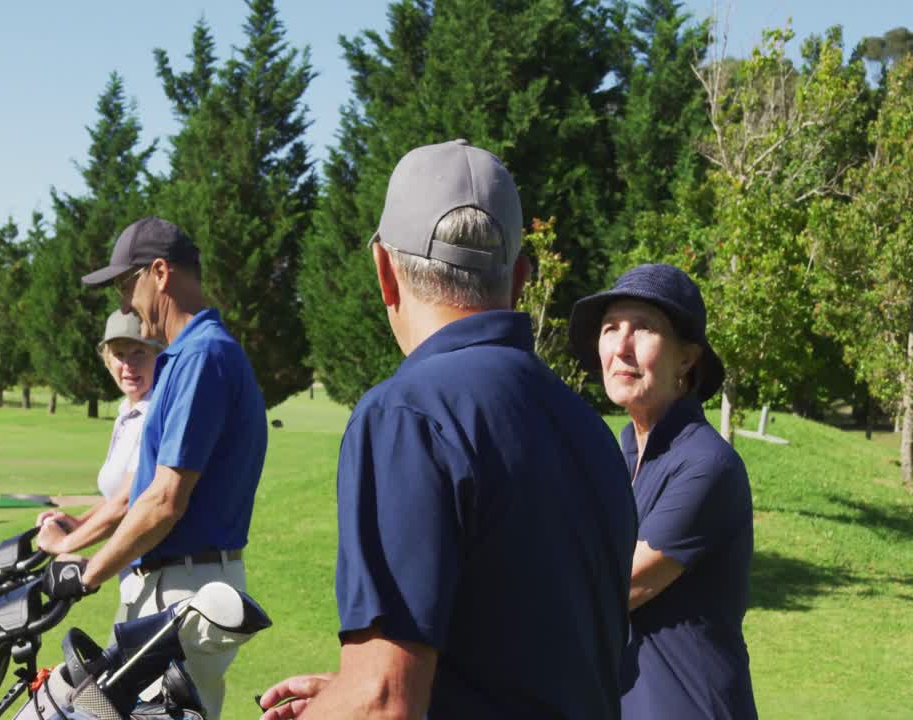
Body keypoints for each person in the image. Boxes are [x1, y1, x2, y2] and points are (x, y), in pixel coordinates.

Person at [257, 140, 637, 720]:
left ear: (385, 271)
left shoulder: (405, 415)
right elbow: (520, 666)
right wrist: (344, 692)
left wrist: (359, 696)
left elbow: (386, 702)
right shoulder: (587, 426)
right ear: (519, 279)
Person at [42, 216, 268, 719]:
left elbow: (166, 502)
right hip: (171, 587)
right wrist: (71, 542)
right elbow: (132, 495)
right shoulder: (186, 360)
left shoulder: (202, 358)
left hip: (185, 591)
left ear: (160, 273)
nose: (124, 304)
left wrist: (89, 574)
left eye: (127, 286)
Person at [568, 263, 758, 720]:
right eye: (612, 328)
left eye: (645, 329)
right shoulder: (620, 453)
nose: (622, 347)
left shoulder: (707, 465)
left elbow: (617, 586)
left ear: (687, 358)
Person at [35, 310, 162, 623]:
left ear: (159, 355)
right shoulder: (127, 412)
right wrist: (79, 522)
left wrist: (65, 543)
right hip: (137, 572)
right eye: (118, 354)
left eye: (139, 353)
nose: (128, 365)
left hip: (162, 576)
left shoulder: (154, 413)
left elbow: (128, 501)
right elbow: (114, 497)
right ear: (107, 360)